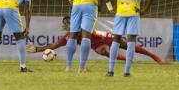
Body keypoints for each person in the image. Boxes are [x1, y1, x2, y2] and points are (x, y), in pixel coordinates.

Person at [102, 0, 155, 77]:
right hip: (133, 11)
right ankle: (126, 72)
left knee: (116, 39)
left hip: (120, 11)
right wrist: (144, 9)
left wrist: (110, 7)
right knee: (131, 42)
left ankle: (110, 71)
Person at [26, 16, 164, 64]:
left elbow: (92, 31)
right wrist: (37, 49)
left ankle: (155, 58)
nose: (64, 25)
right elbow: (54, 45)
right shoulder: (68, 35)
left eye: (66, 22)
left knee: (130, 46)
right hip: (98, 46)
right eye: (65, 23)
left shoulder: (82, 28)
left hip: (105, 37)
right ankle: (127, 60)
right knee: (104, 51)